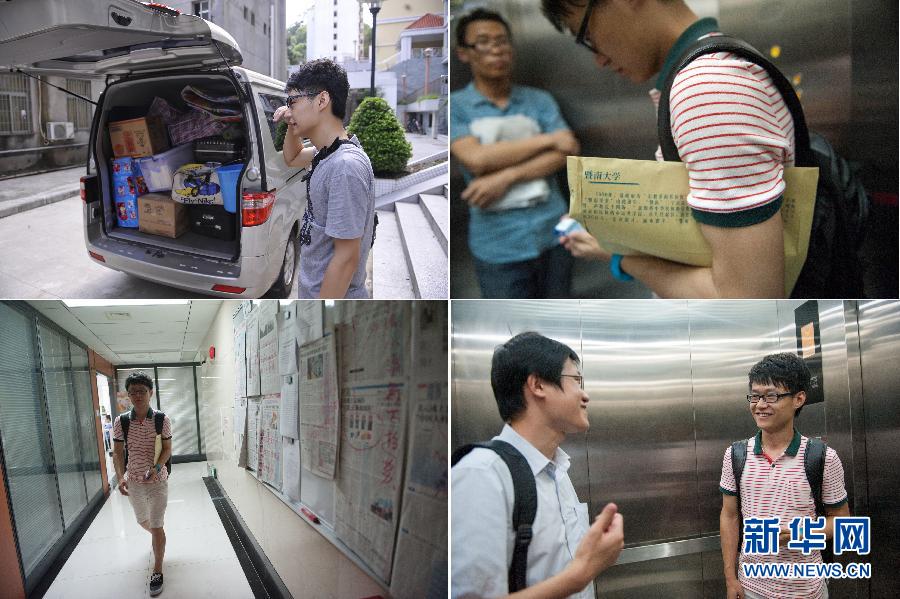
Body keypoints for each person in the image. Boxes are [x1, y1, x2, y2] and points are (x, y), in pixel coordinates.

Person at [541, 0, 794, 298]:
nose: (599, 60)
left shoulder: (707, 89)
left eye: (586, 36)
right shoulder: (710, 67)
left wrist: (619, 255)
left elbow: (745, 301)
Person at [452, 332, 624, 598]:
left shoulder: (557, 472)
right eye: (575, 380)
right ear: (538, 385)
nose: (585, 395)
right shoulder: (482, 474)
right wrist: (581, 573)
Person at [451, 9, 580, 299]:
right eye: (483, 42)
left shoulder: (539, 100)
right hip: (498, 247)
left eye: (502, 41)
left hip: (555, 236)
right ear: (463, 53)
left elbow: (568, 150)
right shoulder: (456, 106)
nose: (495, 50)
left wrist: (506, 176)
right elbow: (477, 159)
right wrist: (548, 140)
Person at [719, 353, 849, 599]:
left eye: (771, 396)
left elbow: (842, 521)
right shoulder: (736, 455)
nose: (760, 404)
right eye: (755, 396)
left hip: (807, 590)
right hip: (752, 589)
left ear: (799, 398)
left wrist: (808, 534)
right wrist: (730, 578)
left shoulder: (822, 457)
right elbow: (730, 515)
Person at [273, 58, 375, 299]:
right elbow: (293, 156)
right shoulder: (327, 152)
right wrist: (291, 122)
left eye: (293, 101)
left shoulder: (345, 167)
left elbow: (346, 259)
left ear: (321, 100)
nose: (289, 109)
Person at [113, 372, 173, 597]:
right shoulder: (122, 421)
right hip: (134, 481)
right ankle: (159, 536)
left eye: (142, 391)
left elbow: (167, 449)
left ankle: (157, 570)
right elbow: (118, 453)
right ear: (128, 395)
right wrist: (120, 477)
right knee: (142, 521)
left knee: (156, 525)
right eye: (133, 392)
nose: (138, 396)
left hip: (158, 481)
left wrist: (156, 468)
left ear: (151, 393)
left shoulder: (161, 419)